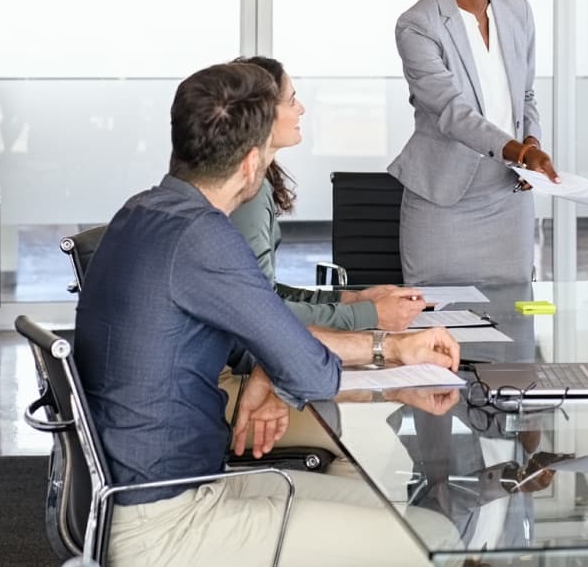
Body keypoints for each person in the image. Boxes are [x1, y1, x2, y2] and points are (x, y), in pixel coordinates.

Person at [75, 62, 462, 567]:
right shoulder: (205, 236)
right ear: (253, 163)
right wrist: (360, 358)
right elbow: (304, 368)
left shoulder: (142, 211)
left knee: (398, 515)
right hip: (171, 523)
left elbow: (261, 339)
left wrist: (380, 350)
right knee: (438, 539)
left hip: (157, 495)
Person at [389, 0, 559, 285]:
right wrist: (520, 151)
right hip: (444, 204)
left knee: (515, 328)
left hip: (508, 197)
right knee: (440, 328)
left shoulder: (516, 7)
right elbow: (451, 112)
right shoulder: (418, 25)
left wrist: (530, 139)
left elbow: (526, 94)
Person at [230, 55, 425, 332]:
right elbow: (261, 311)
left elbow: (263, 294)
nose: (301, 109)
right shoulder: (248, 194)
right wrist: (368, 315)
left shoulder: (256, 183)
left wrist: (351, 299)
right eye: (291, 100)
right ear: (262, 113)